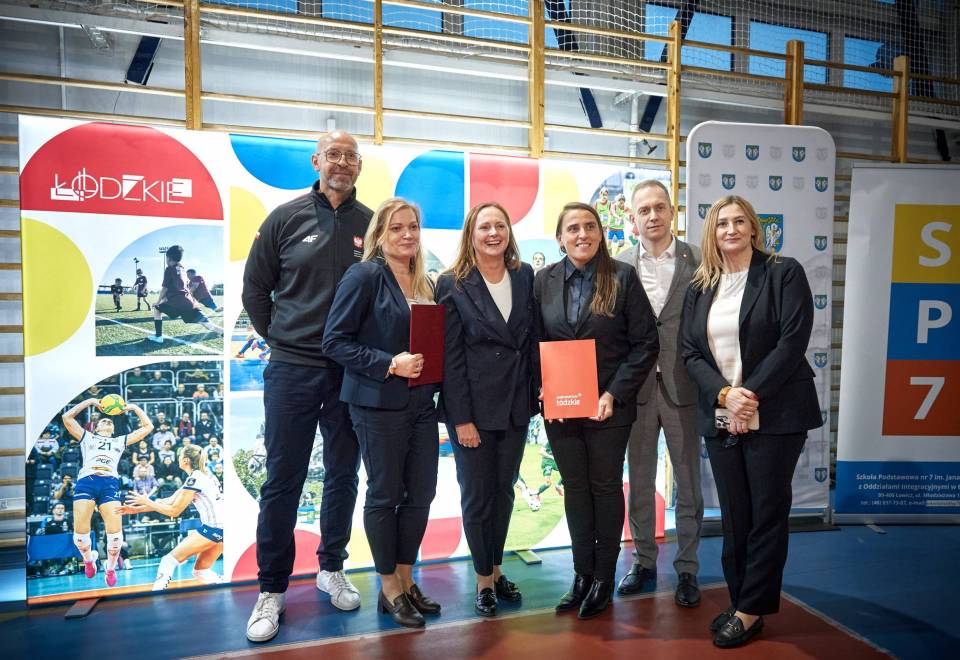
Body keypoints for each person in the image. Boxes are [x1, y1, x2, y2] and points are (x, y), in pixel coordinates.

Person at [241, 130, 372, 643]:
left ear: (359, 166)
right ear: (317, 161)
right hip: (292, 370)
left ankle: (331, 566)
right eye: (333, 154)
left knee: (343, 474)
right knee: (282, 479)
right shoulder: (285, 218)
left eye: (350, 156)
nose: (341, 163)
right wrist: (283, 338)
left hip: (349, 371)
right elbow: (256, 290)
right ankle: (271, 588)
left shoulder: (372, 225)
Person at [681, 195, 823, 648]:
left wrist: (750, 395)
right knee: (735, 514)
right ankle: (742, 598)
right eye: (722, 222)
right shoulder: (701, 286)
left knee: (766, 513)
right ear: (712, 232)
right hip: (723, 411)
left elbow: (792, 341)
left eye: (740, 221)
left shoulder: (783, 272)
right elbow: (690, 352)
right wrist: (727, 395)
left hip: (777, 412)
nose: (731, 229)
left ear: (753, 228)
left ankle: (750, 609)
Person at [533, 202, 659, 619]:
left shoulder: (622, 276)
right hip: (561, 408)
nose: (582, 234)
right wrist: (544, 388)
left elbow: (646, 343)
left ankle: (603, 578)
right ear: (560, 238)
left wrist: (614, 394)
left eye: (590, 226)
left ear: (601, 234)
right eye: (573, 228)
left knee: (604, 488)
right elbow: (535, 342)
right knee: (575, 488)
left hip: (609, 408)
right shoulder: (543, 280)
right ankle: (581, 575)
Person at [323, 197, 440, 629]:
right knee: (385, 494)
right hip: (376, 404)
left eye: (413, 227)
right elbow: (335, 341)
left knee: (421, 494)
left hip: (420, 404)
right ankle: (388, 587)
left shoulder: (424, 280)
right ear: (380, 234)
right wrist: (390, 363)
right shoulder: (365, 275)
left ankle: (406, 579)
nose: (407, 234)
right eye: (396, 227)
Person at [436, 202, 537, 617]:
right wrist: (461, 419)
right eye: (485, 227)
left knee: (504, 492)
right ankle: (482, 580)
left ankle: (496, 570)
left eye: (500, 225)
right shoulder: (452, 283)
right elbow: (450, 358)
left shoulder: (524, 276)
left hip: (515, 406)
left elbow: (531, 341)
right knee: (478, 497)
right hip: (472, 412)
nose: (493, 233)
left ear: (509, 232)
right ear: (471, 235)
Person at [615, 180, 704, 608]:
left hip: (684, 385)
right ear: (633, 218)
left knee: (689, 482)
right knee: (640, 480)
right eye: (644, 210)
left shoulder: (699, 260)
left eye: (659, 207)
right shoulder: (618, 264)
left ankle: (687, 568)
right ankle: (644, 561)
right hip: (636, 390)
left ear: (672, 211)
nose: (652, 216)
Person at [61, 398, 153, 588]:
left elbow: (148, 427)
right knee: (80, 535)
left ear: (113, 429)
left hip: (109, 483)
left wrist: (134, 407)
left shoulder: (120, 440)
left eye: (109, 420)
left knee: (116, 536)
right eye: (103, 420)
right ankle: (89, 560)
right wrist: (90, 402)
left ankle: (110, 569)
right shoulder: (87, 437)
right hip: (87, 482)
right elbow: (67, 417)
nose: (106, 421)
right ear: (96, 428)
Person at [120, 444, 224, 590]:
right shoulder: (205, 475)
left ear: (186, 460)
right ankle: (226, 584)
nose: (178, 458)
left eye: (180, 456)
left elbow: (174, 511)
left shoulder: (195, 478)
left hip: (213, 528)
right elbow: (169, 501)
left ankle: (157, 595)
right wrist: (137, 509)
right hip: (223, 529)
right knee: (201, 571)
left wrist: (147, 502)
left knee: (168, 561)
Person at [147, 245, 222, 345]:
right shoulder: (182, 269)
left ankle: (158, 336)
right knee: (207, 323)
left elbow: (165, 288)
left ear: (168, 258)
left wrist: (158, 301)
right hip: (189, 303)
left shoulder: (169, 269)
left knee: (157, 309)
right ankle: (222, 331)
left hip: (177, 303)